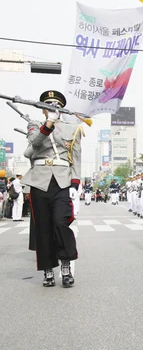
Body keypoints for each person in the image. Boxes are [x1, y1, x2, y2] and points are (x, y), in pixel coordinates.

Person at [21, 90, 81, 287]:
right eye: (49, 104)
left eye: (56, 103)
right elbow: (34, 143)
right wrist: (48, 124)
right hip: (39, 180)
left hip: (62, 180)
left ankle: (65, 266)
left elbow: (76, 157)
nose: (53, 106)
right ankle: (48, 270)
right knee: (43, 227)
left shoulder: (73, 128)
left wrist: (75, 183)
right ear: (43, 109)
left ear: (61, 108)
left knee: (61, 222)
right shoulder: (34, 126)